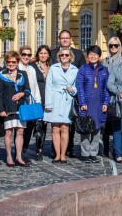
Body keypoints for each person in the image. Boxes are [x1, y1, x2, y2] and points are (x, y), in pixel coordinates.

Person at [50, 30, 84, 158]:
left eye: (67, 38)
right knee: (55, 127)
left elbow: (81, 76)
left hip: (70, 96)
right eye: (62, 38)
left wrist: (76, 91)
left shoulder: (79, 53)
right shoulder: (52, 53)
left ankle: (69, 148)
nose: (64, 40)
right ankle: (56, 150)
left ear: (70, 39)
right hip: (56, 95)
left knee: (69, 126)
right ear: (59, 39)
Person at [44, 46, 78, 164]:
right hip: (55, 98)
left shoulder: (75, 69)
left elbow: (77, 86)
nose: (64, 57)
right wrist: (48, 103)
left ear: (70, 57)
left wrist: (72, 89)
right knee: (55, 128)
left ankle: (63, 154)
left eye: (66, 55)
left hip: (67, 99)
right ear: (59, 56)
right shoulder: (53, 68)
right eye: (62, 55)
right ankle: (57, 154)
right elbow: (48, 86)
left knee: (65, 128)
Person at [0, 51, 31, 167]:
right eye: (9, 62)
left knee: (20, 132)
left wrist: (22, 94)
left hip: (20, 107)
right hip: (8, 108)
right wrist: (1, 110)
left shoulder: (23, 74)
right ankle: (9, 156)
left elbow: (27, 90)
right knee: (9, 132)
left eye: (13, 62)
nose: (11, 64)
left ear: (17, 62)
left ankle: (19, 156)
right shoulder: (1, 75)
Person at [76, 45, 110, 163]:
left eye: (95, 54)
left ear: (99, 56)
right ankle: (85, 153)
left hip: (99, 103)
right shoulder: (83, 69)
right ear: (88, 55)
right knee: (85, 127)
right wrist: (82, 102)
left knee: (97, 128)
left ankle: (93, 152)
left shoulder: (104, 70)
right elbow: (79, 87)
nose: (93, 56)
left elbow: (107, 88)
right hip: (87, 102)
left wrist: (106, 102)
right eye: (91, 54)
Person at [18, 45, 43, 158]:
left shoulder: (31, 69)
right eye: (24, 54)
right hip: (19, 102)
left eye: (28, 55)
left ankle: (24, 148)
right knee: (19, 128)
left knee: (28, 127)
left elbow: (35, 87)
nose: (26, 57)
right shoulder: (16, 67)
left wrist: (38, 101)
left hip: (30, 102)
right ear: (20, 55)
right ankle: (17, 152)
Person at [27, 45, 50, 161]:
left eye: (45, 53)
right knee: (32, 124)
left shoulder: (51, 67)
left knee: (43, 126)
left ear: (48, 55)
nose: (43, 55)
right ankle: (25, 144)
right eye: (41, 53)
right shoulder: (32, 66)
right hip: (36, 98)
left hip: (47, 99)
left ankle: (39, 149)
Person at [101, 37, 122, 156]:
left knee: (116, 120)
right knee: (106, 122)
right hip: (106, 95)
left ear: (119, 46)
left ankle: (116, 148)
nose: (113, 48)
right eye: (111, 45)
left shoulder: (121, 60)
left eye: (116, 45)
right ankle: (106, 147)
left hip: (117, 95)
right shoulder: (105, 60)